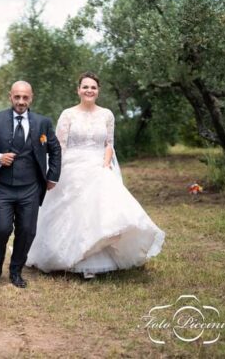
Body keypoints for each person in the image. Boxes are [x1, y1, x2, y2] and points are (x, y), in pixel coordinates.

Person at [26, 72, 164, 279]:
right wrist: (56, 172)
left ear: (98, 91)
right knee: (75, 212)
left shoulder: (107, 115)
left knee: (102, 211)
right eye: (85, 87)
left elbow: (109, 144)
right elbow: (60, 146)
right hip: (72, 168)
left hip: (98, 166)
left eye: (93, 87)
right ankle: (73, 258)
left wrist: (106, 164)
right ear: (78, 90)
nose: (89, 90)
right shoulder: (68, 114)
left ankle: (98, 259)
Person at [0, 81, 62, 288]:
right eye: (17, 97)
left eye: (25, 97)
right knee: (1, 228)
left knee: (27, 231)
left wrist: (52, 177)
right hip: (2, 187)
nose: (21, 101)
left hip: (30, 187)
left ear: (31, 98)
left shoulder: (43, 122)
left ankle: (16, 270)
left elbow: (55, 149)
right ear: (10, 97)